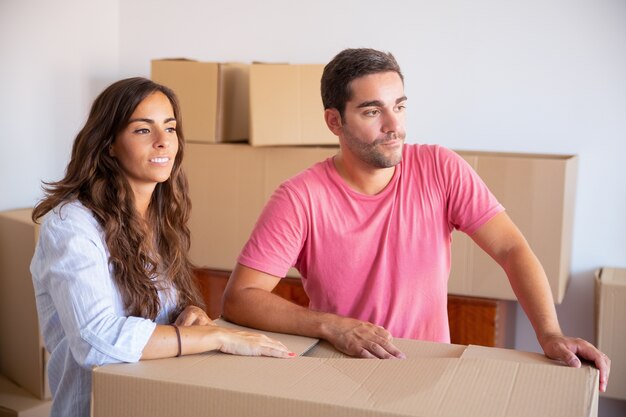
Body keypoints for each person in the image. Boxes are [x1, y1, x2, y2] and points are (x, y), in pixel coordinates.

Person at [221, 48, 610, 391]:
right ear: (334, 122)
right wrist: (332, 325)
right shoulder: (300, 197)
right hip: (343, 375)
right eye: (373, 111)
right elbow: (241, 298)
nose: (394, 126)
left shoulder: (440, 167)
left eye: (400, 106)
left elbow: (510, 248)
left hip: (429, 374)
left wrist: (550, 333)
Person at [30, 77, 294, 417]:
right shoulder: (70, 226)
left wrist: (190, 315)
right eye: (143, 130)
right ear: (108, 144)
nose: (163, 142)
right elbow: (95, 340)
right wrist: (217, 337)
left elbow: (160, 315)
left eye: (170, 129)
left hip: (155, 402)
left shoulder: (158, 218)